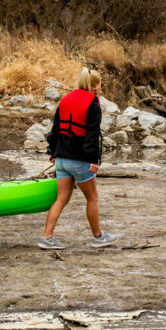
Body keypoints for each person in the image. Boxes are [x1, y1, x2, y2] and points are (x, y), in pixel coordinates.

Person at [39, 67, 120, 250]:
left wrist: (53, 151)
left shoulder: (66, 99)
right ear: (93, 87)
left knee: (61, 199)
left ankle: (47, 238)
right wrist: (94, 159)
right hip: (80, 160)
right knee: (92, 198)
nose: (100, 89)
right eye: (99, 85)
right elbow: (92, 134)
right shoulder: (93, 103)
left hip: (61, 160)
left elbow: (56, 129)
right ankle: (98, 237)